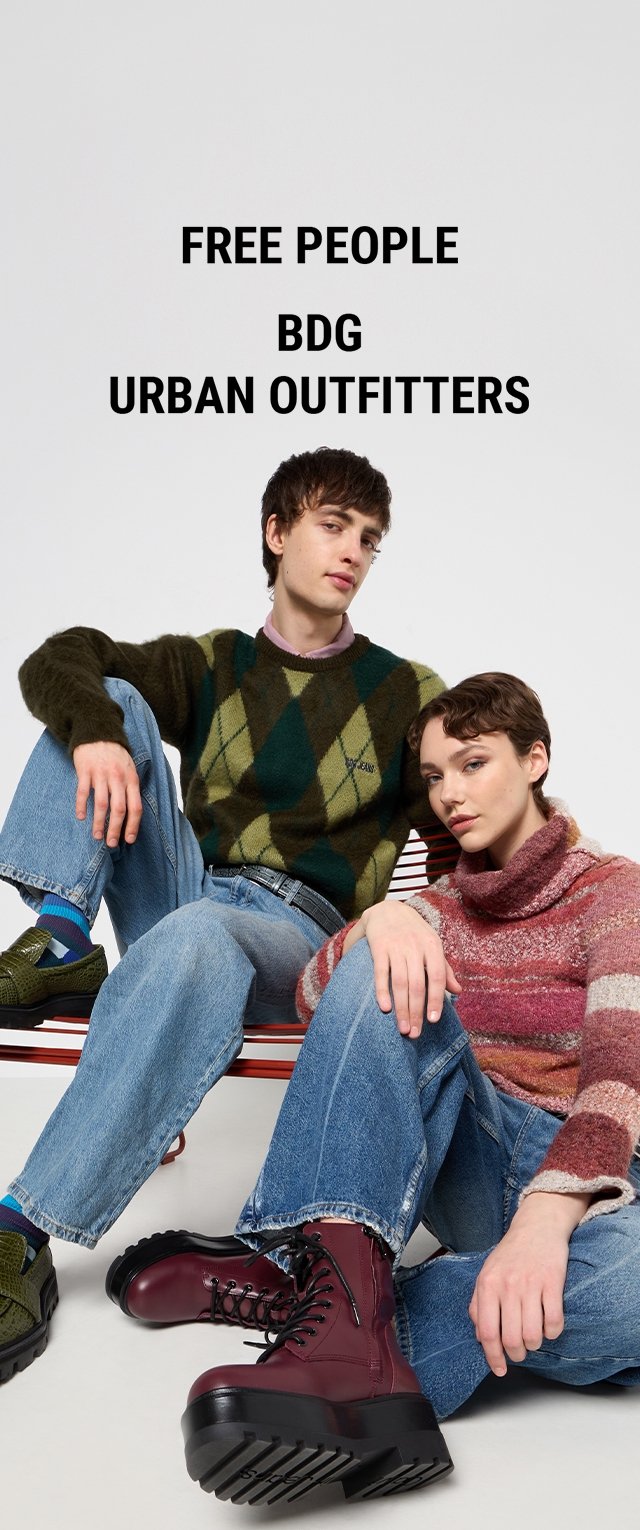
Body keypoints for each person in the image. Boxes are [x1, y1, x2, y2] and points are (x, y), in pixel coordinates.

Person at [0, 446, 456, 1385]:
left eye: (370, 539)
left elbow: (477, 803)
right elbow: (56, 659)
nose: (354, 553)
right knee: (109, 697)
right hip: (187, 898)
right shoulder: (212, 664)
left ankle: (19, 1228)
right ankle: (61, 935)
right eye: (334, 527)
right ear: (277, 531)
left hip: (299, 935)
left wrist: (447, 906)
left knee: (205, 933)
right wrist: (98, 738)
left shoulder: (407, 693)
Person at [171, 673, 640, 1506]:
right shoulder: (429, 909)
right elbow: (326, 1007)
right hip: (469, 1149)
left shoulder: (613, 891)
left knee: (628, 1279)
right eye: (433, 776)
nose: (450, 794)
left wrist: (546, 1215)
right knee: (380, 966)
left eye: (472, 763)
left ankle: (339, 1313)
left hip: (587, 1189)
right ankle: (348, 1310)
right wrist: (378, 923)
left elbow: (620, 1075)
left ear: (535, 761)